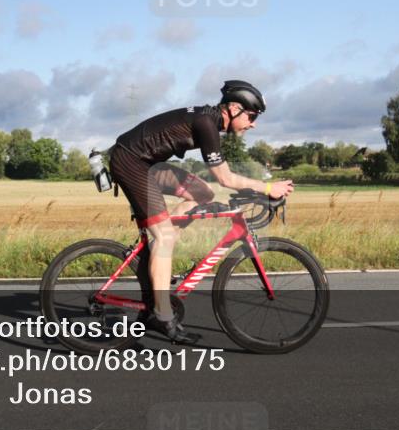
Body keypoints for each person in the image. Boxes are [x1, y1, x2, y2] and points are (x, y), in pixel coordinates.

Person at [107, 80, 295, 343]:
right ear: (233, 108)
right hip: (131, 162)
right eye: (251, 116)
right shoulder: (207, 124)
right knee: (165, 238)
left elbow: (218, 180)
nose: (253, 124)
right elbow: (226, 178)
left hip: (145, 161)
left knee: (202, 193)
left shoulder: (210, 120)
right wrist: (267, 187)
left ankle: (162, 239)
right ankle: (161, 315)